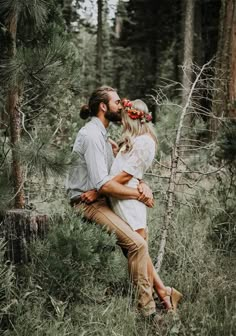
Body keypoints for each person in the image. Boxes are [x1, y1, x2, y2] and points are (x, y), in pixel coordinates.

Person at [109, 98, 183, 311]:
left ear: (132, 119)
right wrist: (117, 153)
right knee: (138, 250)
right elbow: (127, 167)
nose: (122, 123)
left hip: (129, 200)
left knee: (139, 249)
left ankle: (161, 295)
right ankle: (164, 292)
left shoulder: (145, 142)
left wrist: (102, 186)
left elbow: (126, 176)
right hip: (123, 197)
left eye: (124, 119)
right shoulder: (136, 139)